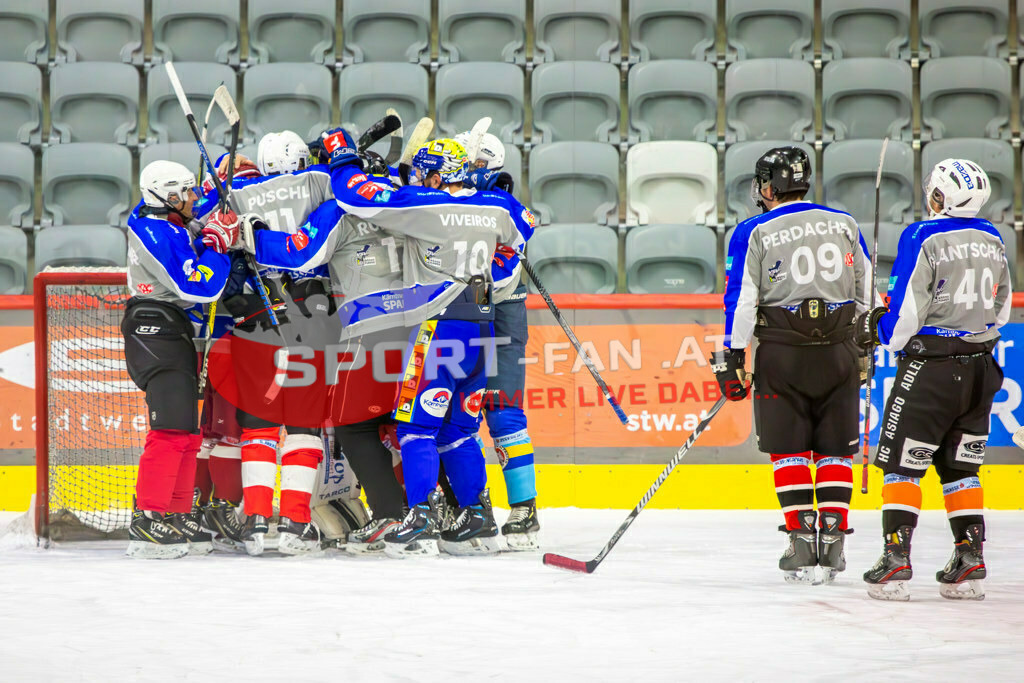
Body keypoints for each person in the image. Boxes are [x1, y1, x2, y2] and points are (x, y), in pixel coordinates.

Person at [243, 133, 535, 557]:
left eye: (421, 172)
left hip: (432, 325)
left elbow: (346, 200)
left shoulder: (419, 204)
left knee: (415, 428)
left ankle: (415, 519)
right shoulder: (497, 206)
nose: (412, 177)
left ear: (436, 177)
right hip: (483, 325)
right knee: (458, 430)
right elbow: (523, 230)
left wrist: (340, 158)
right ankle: (477, 517)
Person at [714, 146, 876, 583]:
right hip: (840, 351)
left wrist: (732, 355)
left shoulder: (753, 229)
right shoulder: (845, 223)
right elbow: (868, 294)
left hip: (782, 354)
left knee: (789, 449)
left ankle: (802, 542)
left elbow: (743, 300)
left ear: (768, 186)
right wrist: (864, 347)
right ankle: (834, 540)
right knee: (833, 448)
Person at [856, 158, 1012, 601]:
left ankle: (896, 557)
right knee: (961, 467)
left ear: (941, 194)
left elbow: (905, 316)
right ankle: (970, 557)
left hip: (932, 369)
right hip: (982, 367)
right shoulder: (993, 237)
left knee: (902, 463)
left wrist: (879, 327)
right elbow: (1001, 309)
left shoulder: (922, 235)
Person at [122, 160, 236, 558]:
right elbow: (196, 285)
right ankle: (149, 518)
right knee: (170, 432)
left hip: (171, 331)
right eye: (184, 193)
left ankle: (173, 511)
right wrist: (218, 247)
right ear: (167, 196)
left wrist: (217, 184)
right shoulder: (153, 231)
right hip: (155, 331)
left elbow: (189, 219)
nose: (191, 199)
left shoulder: (161, 219)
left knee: (187, 433)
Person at [455, 130, 540, 549]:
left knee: (502, 412)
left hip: (500, 312)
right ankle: (467, 505)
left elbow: (502, 275)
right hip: (459, 312)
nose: (462, 173)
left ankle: (524, 508)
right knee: (453, 412)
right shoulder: (454, 203)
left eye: (469, 165)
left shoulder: (506, 208)